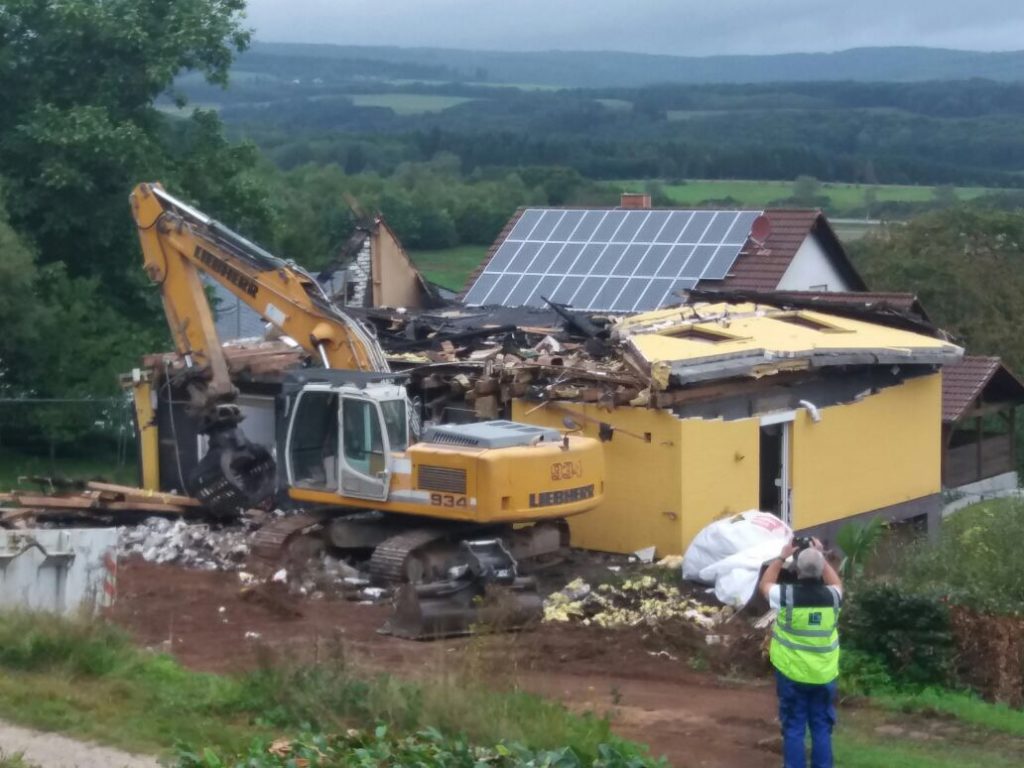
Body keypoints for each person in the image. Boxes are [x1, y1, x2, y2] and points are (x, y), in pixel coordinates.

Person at [759, 538, 843, 768]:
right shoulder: (834, 597)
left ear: (796, 571)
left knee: (794, 727)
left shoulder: (787, 596)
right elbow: (836, 583)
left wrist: (781, 556)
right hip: (824, 675)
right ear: (821, 569)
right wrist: (819, 556)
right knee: (821, 727)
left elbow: (765, 585)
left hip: (792, 674)